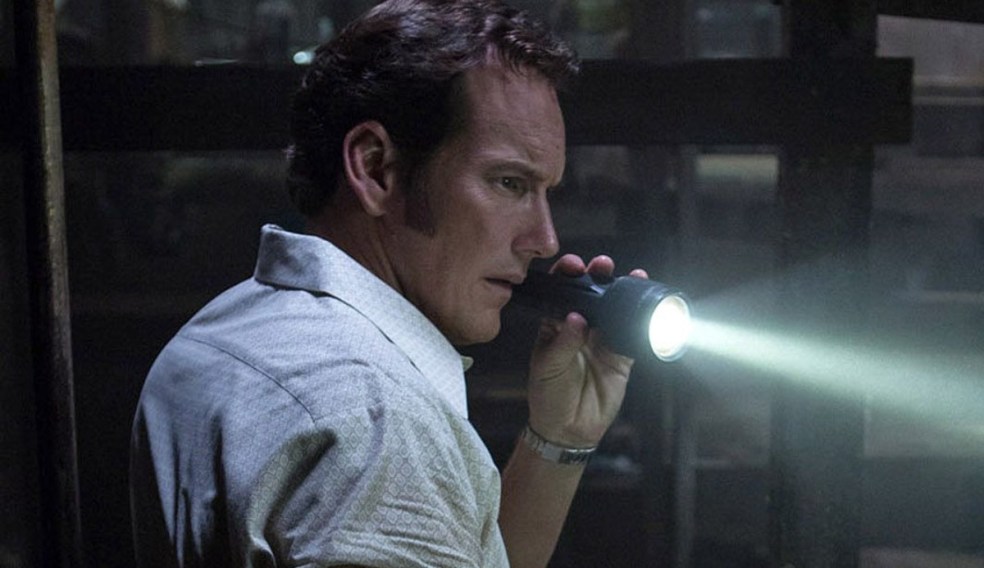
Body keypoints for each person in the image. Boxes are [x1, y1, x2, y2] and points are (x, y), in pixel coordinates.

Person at [130, 1, 648, 566]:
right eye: (508, 183)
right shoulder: (378, 422)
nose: (544, 240)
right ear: (376, 168)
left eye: (547, 192)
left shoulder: (221, 331)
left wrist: (559, 437)